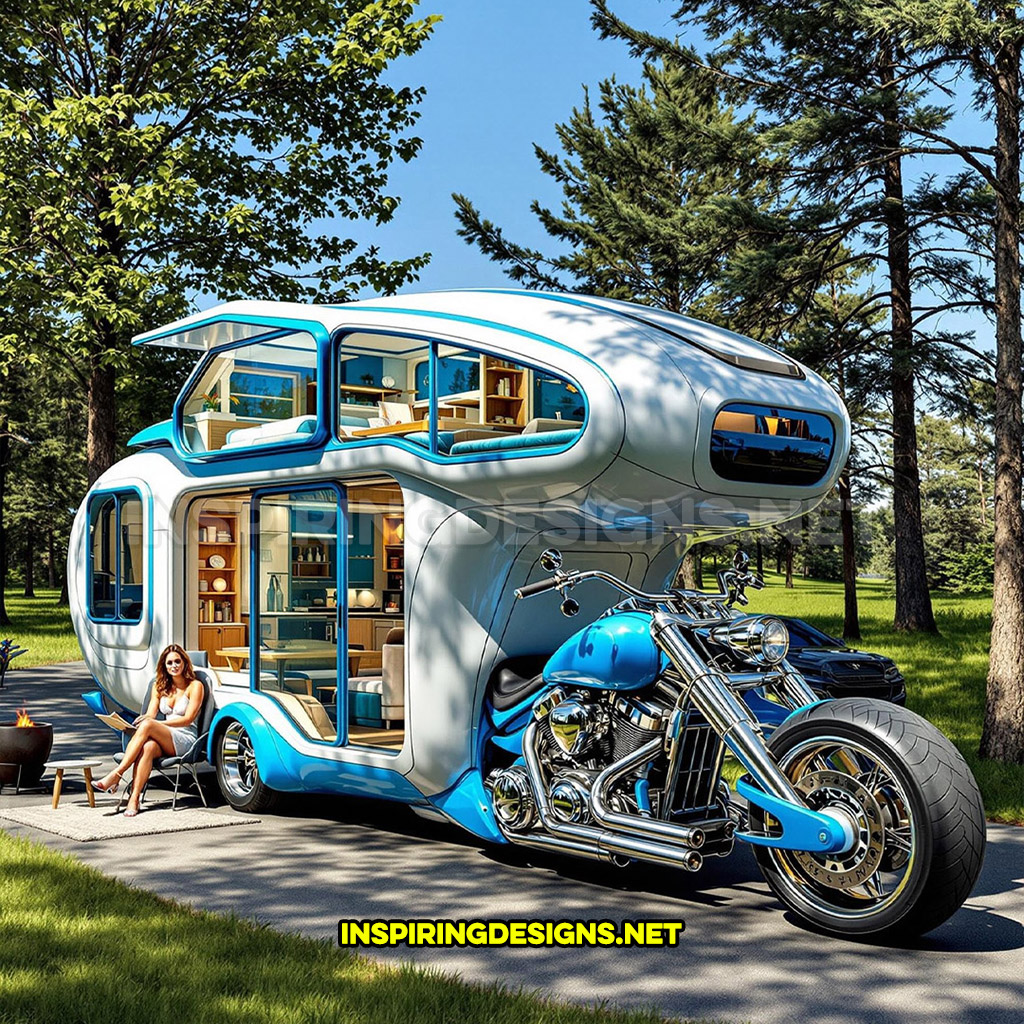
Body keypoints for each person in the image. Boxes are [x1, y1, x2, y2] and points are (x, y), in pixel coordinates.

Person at [94, 644, 204, 817]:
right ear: (164, 666)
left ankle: (117, 775)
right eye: (169, 663)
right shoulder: (159, 686)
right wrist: (141, 721)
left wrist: (153, 725)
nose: (174, 666)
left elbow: (188, 719)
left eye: (177, 661)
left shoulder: (195, 686)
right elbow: (151, 714)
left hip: (186, 738)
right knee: (148, 747)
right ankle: (134, 799)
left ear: (184, 663)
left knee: (148, 726)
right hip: (167, 737)